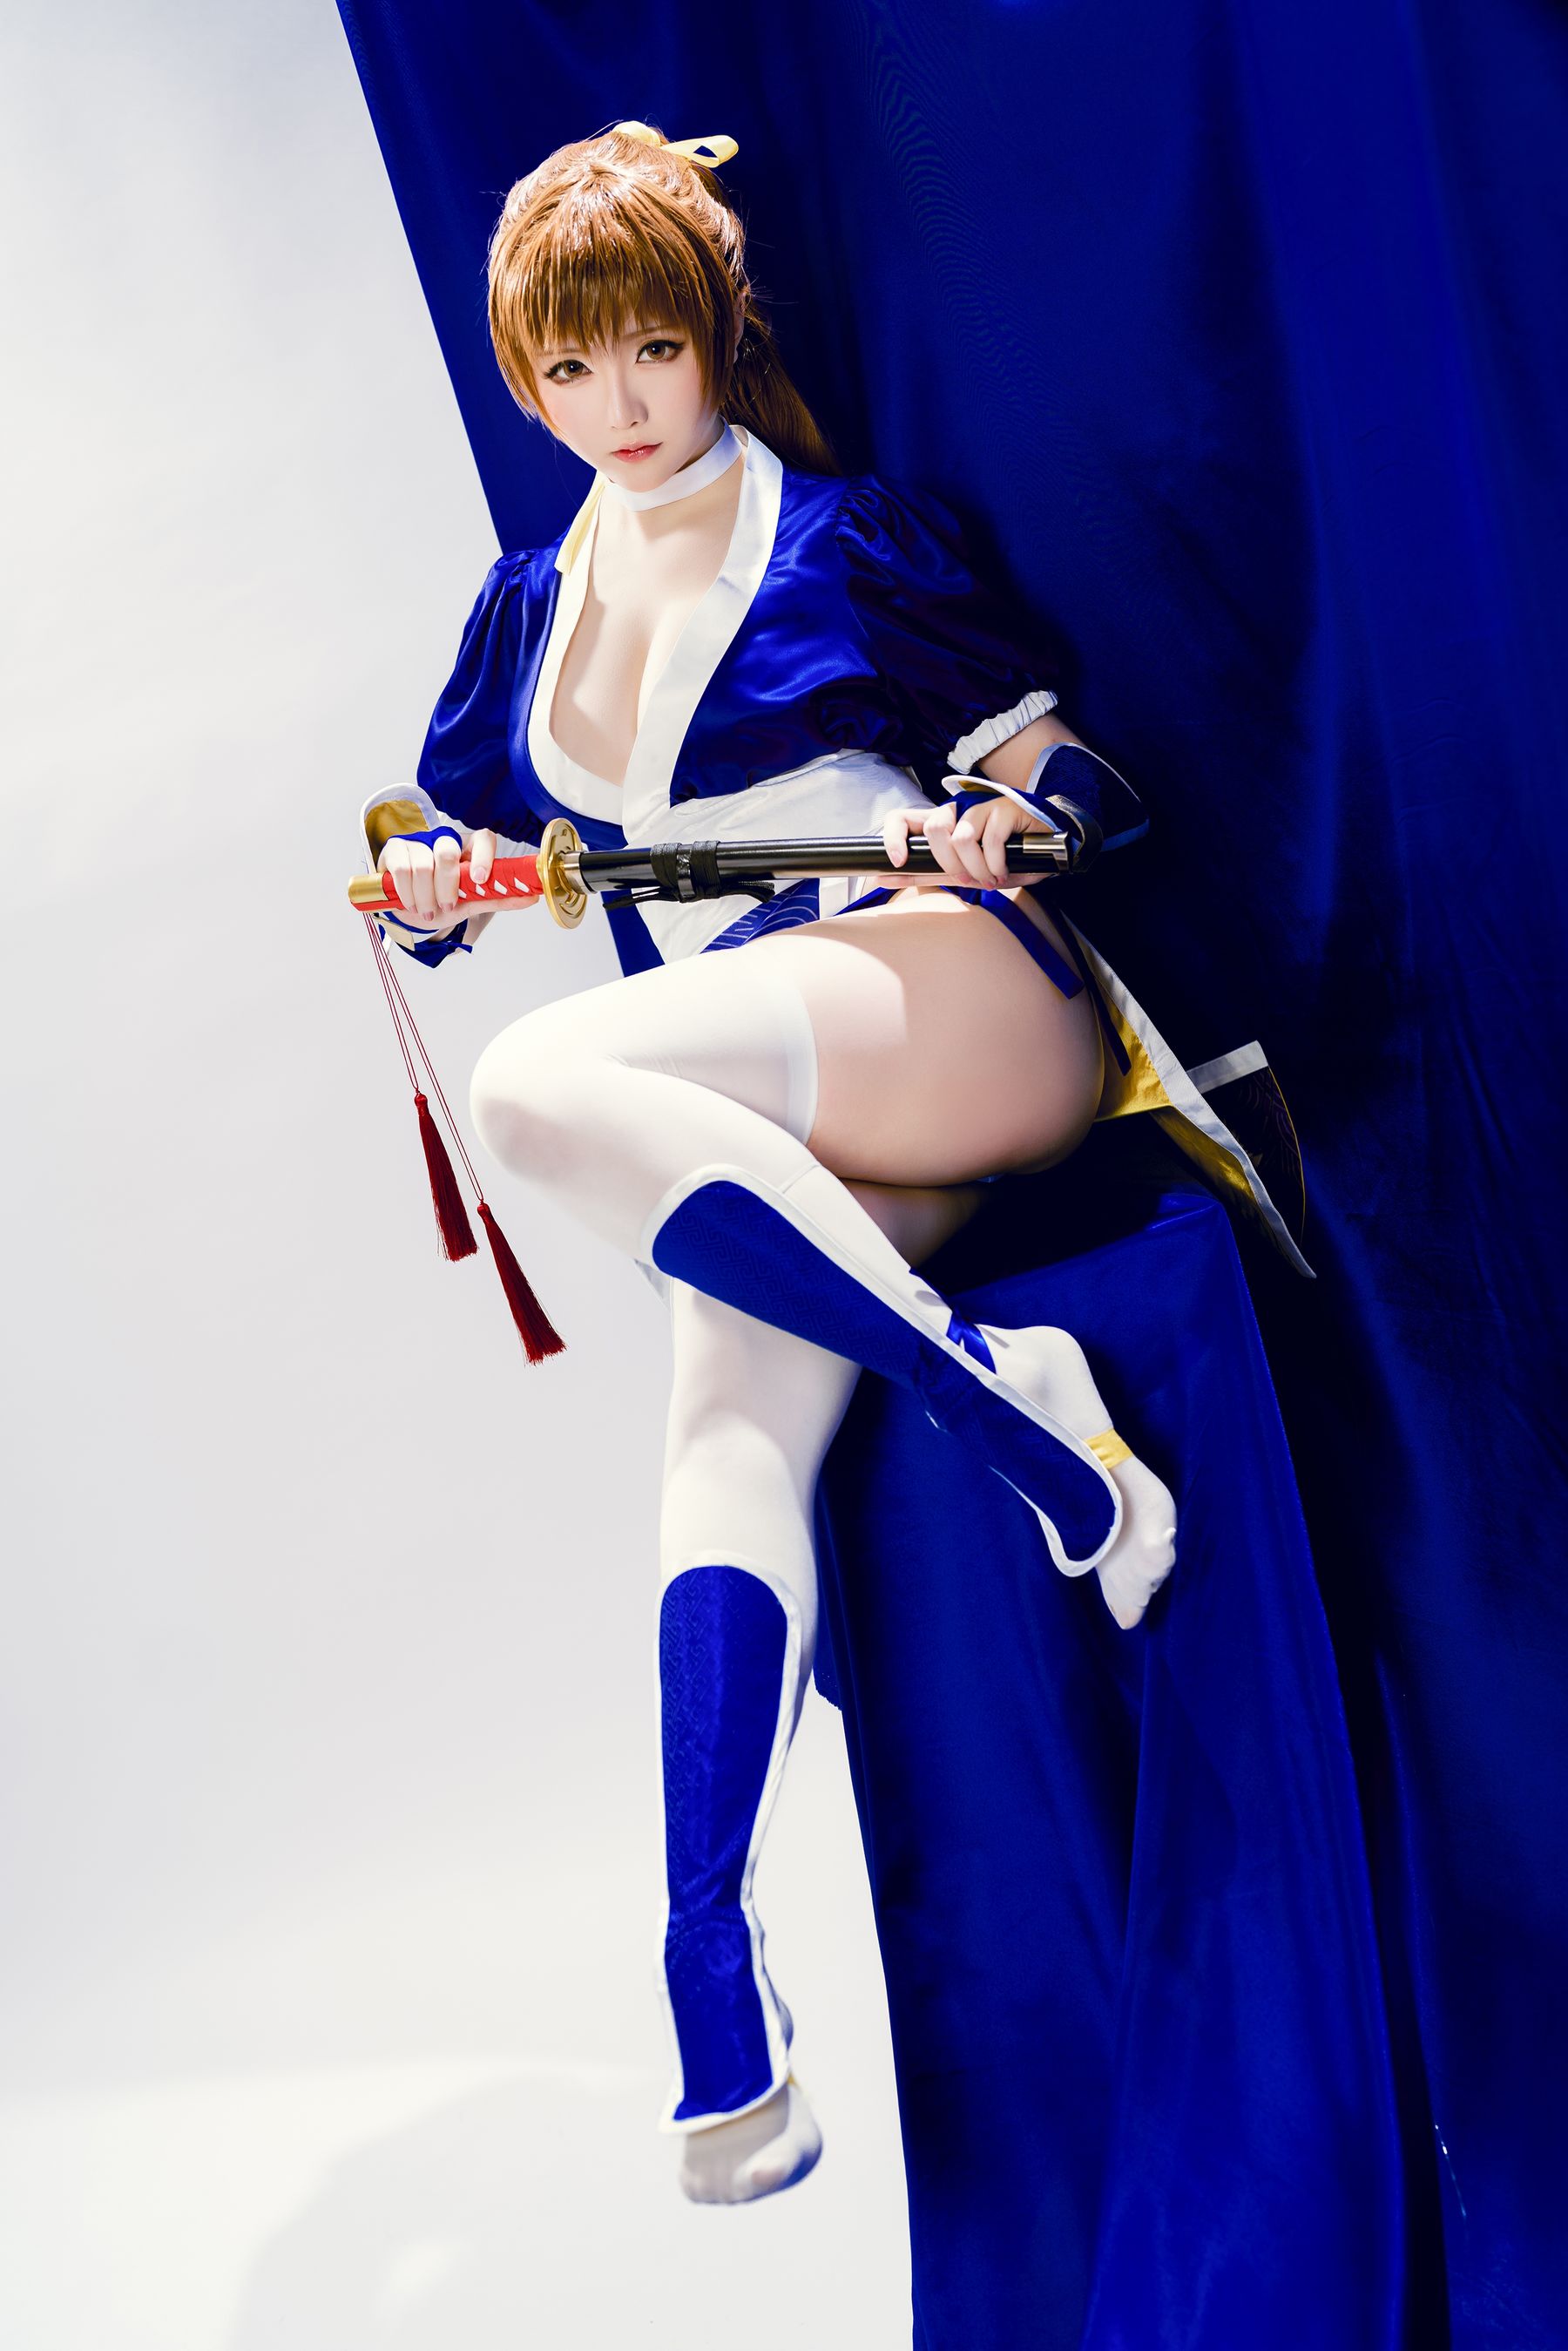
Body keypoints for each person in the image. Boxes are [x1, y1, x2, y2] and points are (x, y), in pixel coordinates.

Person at [358, 119, 1301, 2205]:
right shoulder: (529, 610)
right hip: (773, 1102)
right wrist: (427, 887)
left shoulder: (846, 539)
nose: (620, 405)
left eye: (651, 351)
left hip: (956, 997)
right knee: (725, 1430)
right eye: (571, 369)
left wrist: (1012, 819)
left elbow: (1079, 775)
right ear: (526, 380)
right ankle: (710, 1944)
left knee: (538, 1083)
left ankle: (1001, 1396)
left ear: (715, 336)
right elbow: (458, 854)